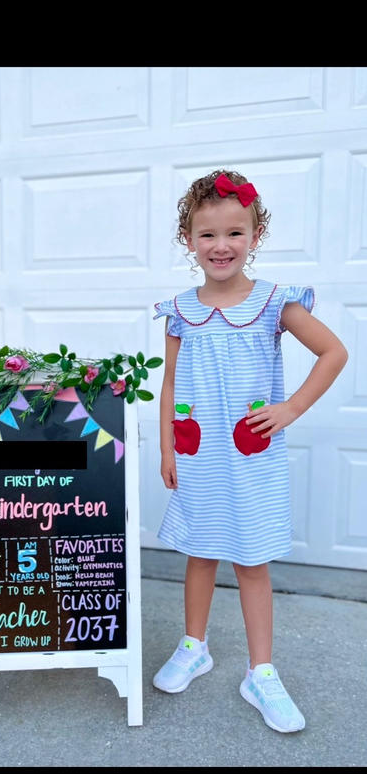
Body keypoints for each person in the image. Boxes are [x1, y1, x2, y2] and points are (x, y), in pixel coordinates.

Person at [152, 168, 348, 733]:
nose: (221, 246)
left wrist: (291, 410)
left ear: (255, 236)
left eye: (235, 233)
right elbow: (170, 383)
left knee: (252, 559)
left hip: (251, 456)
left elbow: (333, 352)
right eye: (208, 234)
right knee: (200, 550)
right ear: (188, 239)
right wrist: (168, 445)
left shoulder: (273, 304)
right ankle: (195, 646)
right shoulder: (179, 310)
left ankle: (261, 672)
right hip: (197, 456)